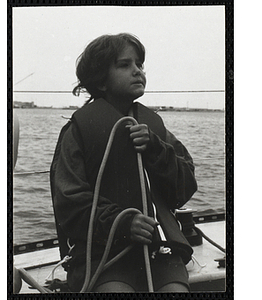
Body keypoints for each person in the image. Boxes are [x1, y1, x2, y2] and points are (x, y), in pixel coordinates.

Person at [50, 33, 197, 292]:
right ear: (100, 80)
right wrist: (121, 223)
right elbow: (69, 202)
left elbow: (185, 187)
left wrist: (156, 150)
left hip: (159, 247)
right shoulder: (78, 130)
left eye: (139, 64)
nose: (137, 71)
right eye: (124, 65)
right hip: (100, 250)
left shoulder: (154, 129)